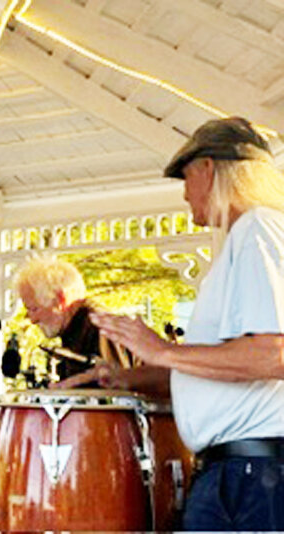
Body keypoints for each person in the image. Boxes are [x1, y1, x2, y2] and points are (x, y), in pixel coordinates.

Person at [86, 116, 284, 530]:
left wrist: (162, 349)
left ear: (209, 168)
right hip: (238, 475)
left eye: (186, 176)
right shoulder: (248, 237)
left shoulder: (258, 228)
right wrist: (125, 378)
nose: (183, 193)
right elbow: (212, 372)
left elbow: (272, 354)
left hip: (250, 477)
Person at [13, 255, 140, 381]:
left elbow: (116, 394)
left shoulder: (100, 328)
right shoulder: (78, 329)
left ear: (60, 300)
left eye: (34, 309)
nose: (33, 319)